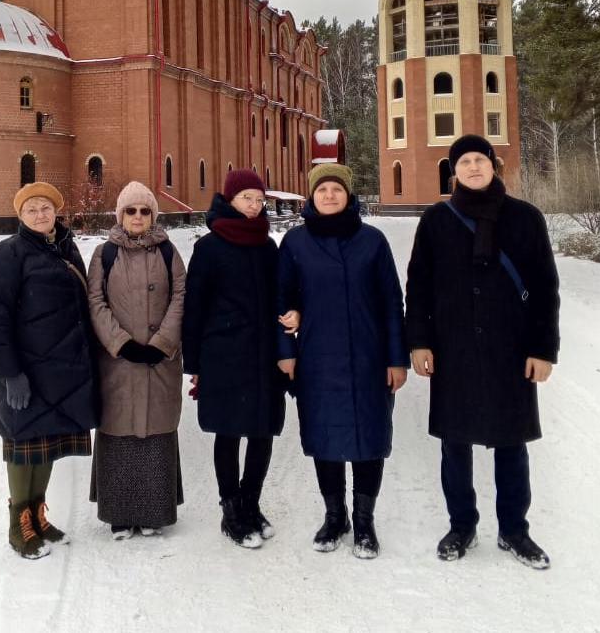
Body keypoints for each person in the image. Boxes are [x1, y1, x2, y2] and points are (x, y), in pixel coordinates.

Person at [405, 134, 560, 569]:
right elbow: (418, 286)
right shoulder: (437, 220)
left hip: (511, 349)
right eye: (465, 162)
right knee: (456, 443)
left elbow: (546, 287)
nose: (473, 167)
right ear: (453, 171)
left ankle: (514, 530)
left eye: (481, 160)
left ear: (494, 166)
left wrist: (542, 349)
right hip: (453, 349)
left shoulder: (526, 219)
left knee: (512, 443)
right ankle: (462, 526)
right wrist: (419, 341)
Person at [277, 163, 408, 558]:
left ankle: (364, 521)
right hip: (317, 358)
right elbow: (281, 301)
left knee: (370, 439)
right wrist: (286, 354)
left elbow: (391, 303)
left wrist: (396, 358)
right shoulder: (296, 243)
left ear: (348, 196)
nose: (329, 195)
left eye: (336, 189)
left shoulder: (372, 241)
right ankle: (335, 516)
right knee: (324, 438)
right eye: (322, 190)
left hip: (369, 357)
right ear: (311, 196)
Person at [0, 182, 98, 560]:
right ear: (20, 215)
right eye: (31, 209)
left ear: (56, 212)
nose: (39, 215)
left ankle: (38, 515)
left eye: (45, 207)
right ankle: (19, 524)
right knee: (21, 445)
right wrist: (9, 372)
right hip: (27, 369)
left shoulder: (66, 248)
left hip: (62, 368)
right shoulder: (8, 254)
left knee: (45, 442)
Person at [183, 169, 286, 549]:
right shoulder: (209, 248)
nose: (255, 206)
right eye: (248, 199)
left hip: (263, 355)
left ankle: (251, 503)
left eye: (260, 200)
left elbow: (280, 296)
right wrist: (193, 364)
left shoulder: (267, 246)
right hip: (223, 355)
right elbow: (194, 307)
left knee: (262, 431)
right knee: (228, 432)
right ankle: (231, 511)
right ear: (230, 200)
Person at [87, 182, 186, 539]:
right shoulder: (104, 254)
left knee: (157, 431)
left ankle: (153, 512)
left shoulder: (168, 252)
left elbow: (180, 298)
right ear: (120, 215)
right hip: (119, 362)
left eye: (145, 211)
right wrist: (120, 343)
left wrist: (162, 343)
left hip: (160, 361)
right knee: (119, 430)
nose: (138, 217)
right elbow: (95, 302)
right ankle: (119, 512)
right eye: (131, 211)